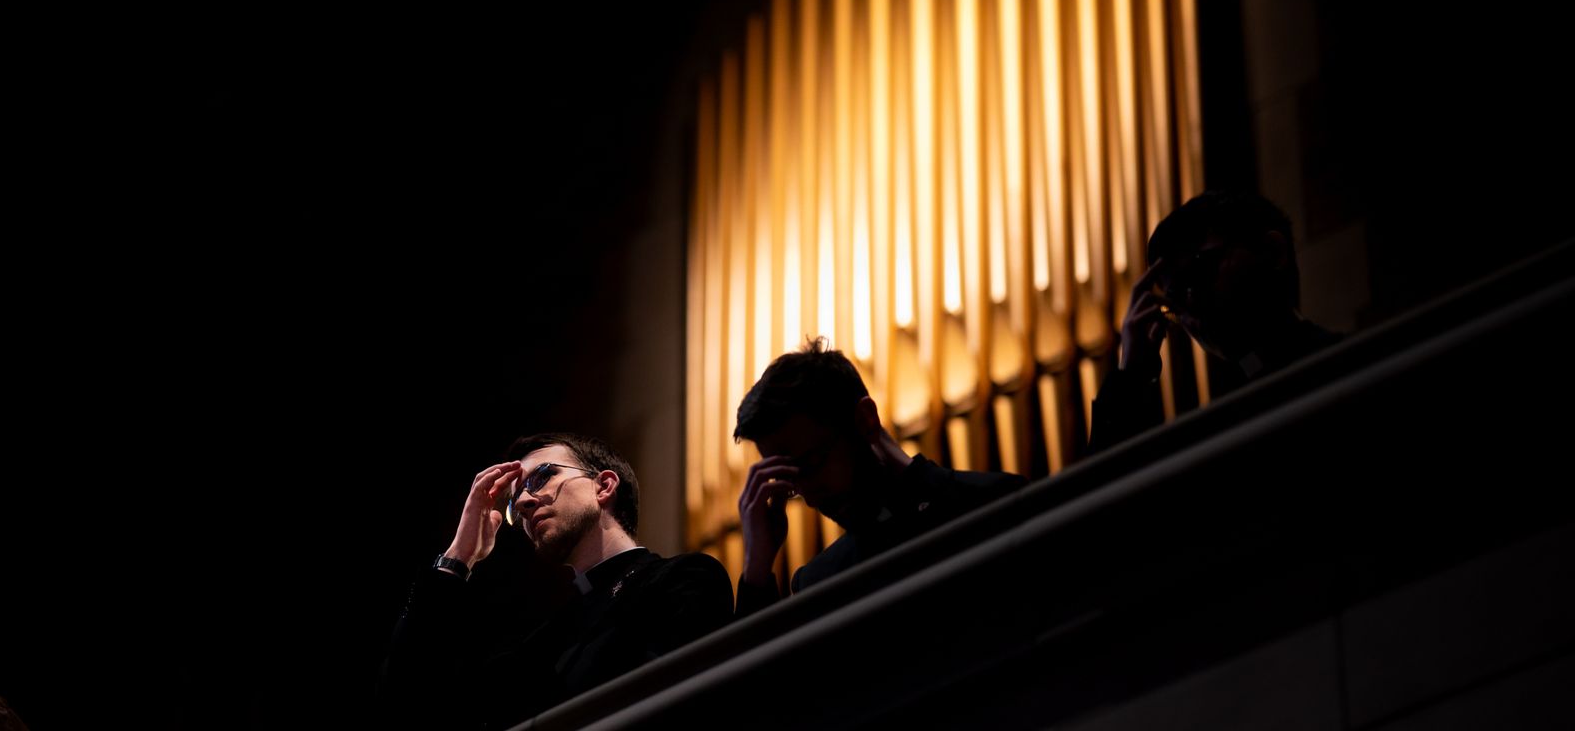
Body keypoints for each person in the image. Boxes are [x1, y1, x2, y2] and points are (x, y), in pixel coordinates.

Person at [381, 432, 733, 729]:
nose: (523, 503)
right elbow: (408, 698)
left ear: (604, 486)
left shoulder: (684, 578)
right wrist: (458, 557)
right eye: (514, 499)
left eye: (542, 476)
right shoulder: (542, 641)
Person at [733, 339, 1026, 617]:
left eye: (810, 463)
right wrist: (756, 570)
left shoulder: (997, 503)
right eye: (792, 480)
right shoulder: (819, 583)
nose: (809, 496)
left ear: (865, 420)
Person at [1089, 190, 1342, 453]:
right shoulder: (1214, 431)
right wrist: (1131, 378)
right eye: (1174, 294)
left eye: (1200, 269)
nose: (1189, 301)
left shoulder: (1350, 367)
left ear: (1272, 252)